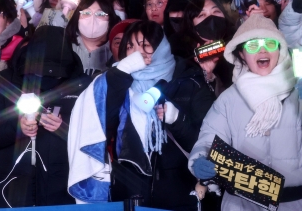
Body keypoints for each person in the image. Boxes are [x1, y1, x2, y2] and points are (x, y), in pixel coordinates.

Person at [189, 15, 302, 210]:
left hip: (293, 203)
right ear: (242, 54)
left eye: (270, 43)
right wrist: (200, 158)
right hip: (240, 204)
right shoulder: (229, 99)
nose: (262, 50)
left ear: (280, 49)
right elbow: (209, 139)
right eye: (252, 46)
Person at [68, 20, 215, 211]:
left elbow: (208, 141)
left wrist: (177, 119)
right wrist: (121, 73)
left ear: (161, 47)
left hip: (179, 192)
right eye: (130, 46)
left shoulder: (191, 82)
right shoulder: (118, 84)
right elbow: (101, 123)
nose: (137, 52)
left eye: (145, 45)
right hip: (129, 192)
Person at [0, 26, 90, 208]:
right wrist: (17, 128)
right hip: (9, 193)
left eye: (56, 73)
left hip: (64, 193)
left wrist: (65, 129)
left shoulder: (83, 86)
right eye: (40, 71)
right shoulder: (5, 83)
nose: (47, 77)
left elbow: (97, 141)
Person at [65, 0, 119, 76]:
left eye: (100, 14)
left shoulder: (118, 49)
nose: (92, 19)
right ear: (77, 17)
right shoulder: (64, 46)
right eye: (86, 13)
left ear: (110, 19)